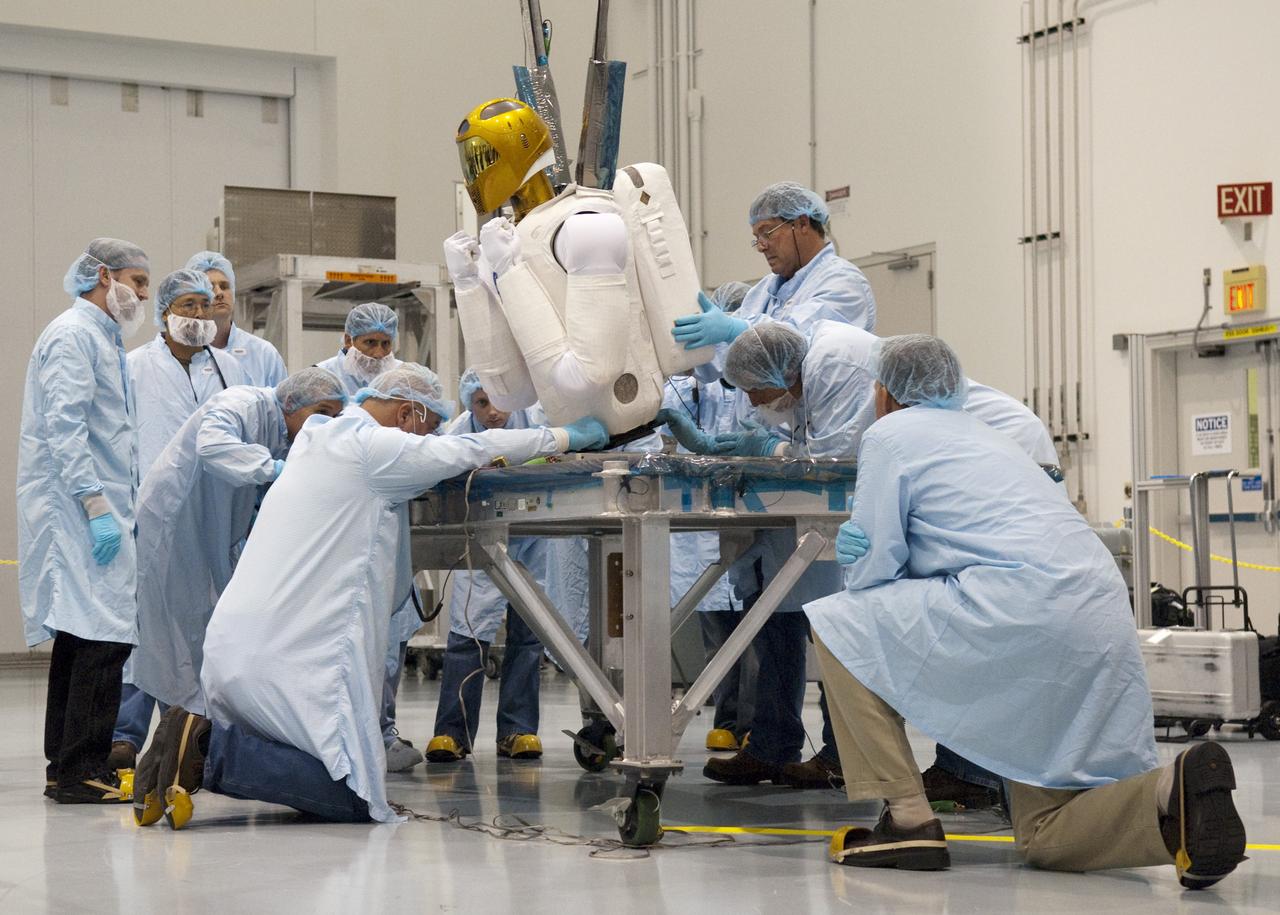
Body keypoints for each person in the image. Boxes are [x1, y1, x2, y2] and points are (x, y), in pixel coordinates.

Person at [805, 335, 1247, 889]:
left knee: (838, 623)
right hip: (1098, 609)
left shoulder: (888, 434)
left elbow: (875, 575)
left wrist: (858, 554)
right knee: (1044, 833)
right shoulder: (992, 436)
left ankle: (908, 817)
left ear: (884, 393)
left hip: (1017, 611)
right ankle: (1169, 790)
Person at [132, 364, 609, 828]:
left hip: (233, 653)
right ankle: (209, 750)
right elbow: (473, 447)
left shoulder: (316, 440)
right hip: (284, 666)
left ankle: (189, 746)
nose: (427, 441)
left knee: (317, 762)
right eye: (428, 429)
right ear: (407, 415)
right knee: (355, 797)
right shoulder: (375, 449)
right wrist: (563, 437)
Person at [664, 321, 1064, 790]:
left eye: (753, 390)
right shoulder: (887, 420)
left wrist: (867, 574)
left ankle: (960, 773)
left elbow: (836, 461)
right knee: (903, 623)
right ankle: (936, 770)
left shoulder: (849, 378)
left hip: (996, 491)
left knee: (943, 630)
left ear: (885, 393)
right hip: (1005, 528)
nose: (751, 402)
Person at [445, 97, 711, 437]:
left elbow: (589, 373)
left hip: (629, 434)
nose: (476, 173)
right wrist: (468, 284)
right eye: (470, 161)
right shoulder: (505, 243)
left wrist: (511, 273)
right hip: (571, 441)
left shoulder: (586, 224)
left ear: (516, 150)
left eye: (483, 158)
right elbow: (511, 394)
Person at [128, 368, 347, 720]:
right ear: (292, 403)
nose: (327, 425)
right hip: (174, 530)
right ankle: (165, 734)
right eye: (321, 412)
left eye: (335, 417)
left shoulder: (287, 436)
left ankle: (193, 731)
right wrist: (275, 470)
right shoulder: (241, 403)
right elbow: (212, 446)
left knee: (201, 639)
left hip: (213, 538)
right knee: (169, 643)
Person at [19, 238, 150, 803]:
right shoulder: (74, 335)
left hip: (98, 503)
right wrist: (96, 507)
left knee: (82, 638)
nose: (142, 295)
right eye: (136, 282)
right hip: (82, 509)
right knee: (101, 638)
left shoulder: (101, 337)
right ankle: (81, 770)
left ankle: (67, 767)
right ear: (103, 276)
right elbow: (64, 427)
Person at [109, 268, 248, 770]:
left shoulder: (230, 370)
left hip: (214, 513)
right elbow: (119, 440)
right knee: (144, 623)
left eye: (205, 305)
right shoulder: (134, 367)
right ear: (164, 312)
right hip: (152, 513)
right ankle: (125, 736)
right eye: (187, 305)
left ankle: (191, 734)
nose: (198, 314)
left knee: (206, 621)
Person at [426, 370, 566, 763]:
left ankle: (517, 730)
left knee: (528, 633)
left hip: (531, 538)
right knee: (467, 633)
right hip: (480, 538)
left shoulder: (538, 424)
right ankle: (452, 733)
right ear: (468, 402)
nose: (493, 412)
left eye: (499, 402)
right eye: (481, 403)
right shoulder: (456, 434)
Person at [660, 281, 753, 752]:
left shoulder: (751, 384)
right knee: (719, 632)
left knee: (756, 630)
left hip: (750, 513)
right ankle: (728, 717)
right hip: (700, 528)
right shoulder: (682, 387)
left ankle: (750, 722)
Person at [185, 250, 287, 386]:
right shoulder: (183, 356)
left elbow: (283, 398)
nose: (219, 293)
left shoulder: (263, 354)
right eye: (210, 287)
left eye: (224, 286)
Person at [315, 302, 402, 393]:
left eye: (386, 343)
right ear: (348, 341)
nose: (379, 354)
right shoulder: (322, 376)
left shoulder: (403, 375)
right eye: (370, 342)